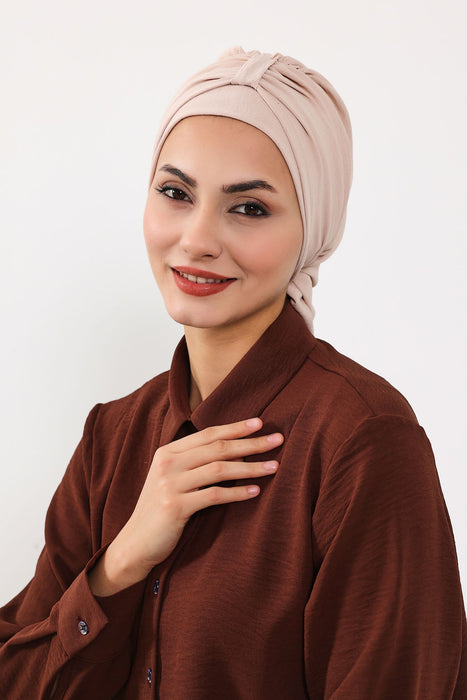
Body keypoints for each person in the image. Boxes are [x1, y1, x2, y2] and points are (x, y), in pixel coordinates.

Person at [0, 47, 465, 699]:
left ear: (312, 230)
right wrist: (120, 563)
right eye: (175, 193)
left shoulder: (362, 439)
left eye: (248, 208)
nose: (196, 239)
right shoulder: (112, 437)